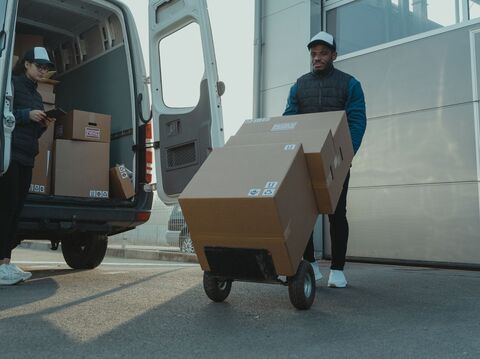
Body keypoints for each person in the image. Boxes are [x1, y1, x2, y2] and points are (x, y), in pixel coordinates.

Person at [283, 31, 367, 288]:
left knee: (336, 213)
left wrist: (347, 154)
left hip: (336, 161)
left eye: (323, 53)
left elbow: (357, 121)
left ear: (333, 55)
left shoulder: (350, 84)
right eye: (313, 54)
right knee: (303, 213)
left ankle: (338, 270)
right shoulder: (299, 85)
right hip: (304, 160)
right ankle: (309, 263)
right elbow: (289, 119)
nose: (317, 58)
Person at [0, 47, 55, 285]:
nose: (42, 70)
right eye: (38, 66)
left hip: (27, 156)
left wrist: (43, 121)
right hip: (9, 155)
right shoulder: (10, 84)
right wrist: (26, 115)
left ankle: (6, 263)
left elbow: (34, 126)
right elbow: (6, 112)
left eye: (45, 67)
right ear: (26, 64)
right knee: (6, 209)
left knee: (16, 211)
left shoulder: (36, 94)